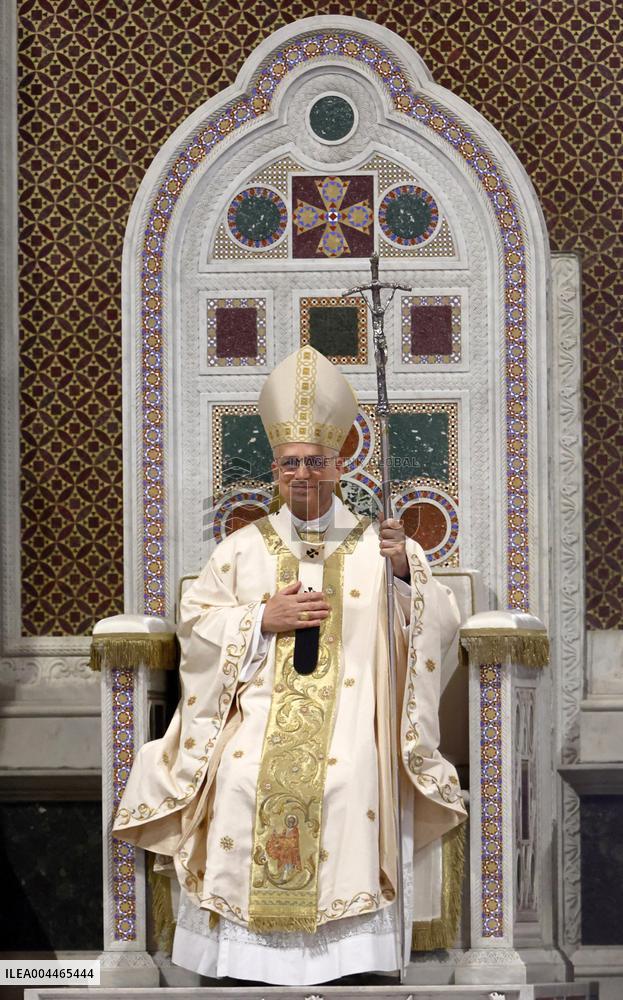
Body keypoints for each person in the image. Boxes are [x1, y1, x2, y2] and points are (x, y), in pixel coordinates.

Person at [112, 345, 466, 984]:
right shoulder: (241, 550)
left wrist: (407, 572)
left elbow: (437, 628)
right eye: (290, 464)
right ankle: (243, 961)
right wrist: (258, 621)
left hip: (357, 720)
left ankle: (351, 960)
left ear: (339, 465)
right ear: (274, 470)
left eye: (316, 462)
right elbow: (195, 626)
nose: (303, 475)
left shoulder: (380, 546)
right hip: (256, 714)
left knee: (351, 775)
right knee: (243, 775)